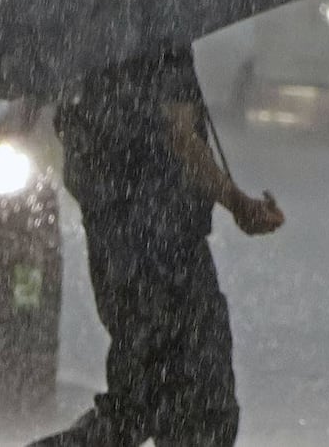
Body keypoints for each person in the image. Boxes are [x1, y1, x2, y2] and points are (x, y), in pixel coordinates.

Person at [30, 46, 284, 447]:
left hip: (118, 254)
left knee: (139, 405)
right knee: (203, 408)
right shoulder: (164, 39)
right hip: (168, 254)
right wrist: (239, 204)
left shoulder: (96, 47)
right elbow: (180, 136)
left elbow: (82, 148)